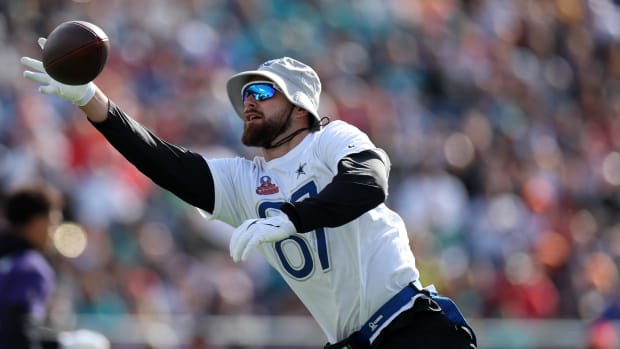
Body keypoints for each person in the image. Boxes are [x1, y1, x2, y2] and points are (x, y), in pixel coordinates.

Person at [21, 36, 477, 348]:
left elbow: (369, 182)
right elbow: (165, 163)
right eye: (245, 96)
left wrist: (294, 217)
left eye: (262, 90)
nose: (249, 101)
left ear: (300, 107)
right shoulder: (245, 180)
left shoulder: (331, 139)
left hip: (411, 326)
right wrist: (92, 102)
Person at [0, 184, 110, 349]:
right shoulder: (31, 267)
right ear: (36, 222)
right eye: (53, 222)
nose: (54, 231)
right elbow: (19, 331)